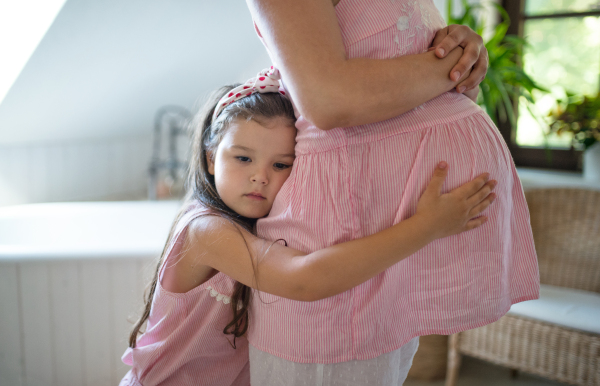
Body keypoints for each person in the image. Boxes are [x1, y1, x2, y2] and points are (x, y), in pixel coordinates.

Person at [119, 68, 497, 386]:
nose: (260, 178)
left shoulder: (261, 223)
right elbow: (304, 280)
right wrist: (426, 226)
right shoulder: (207, 230)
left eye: (281, 165)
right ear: (212, 159)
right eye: (243, 158)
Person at [245, 0, 540, 384]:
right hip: (344, 227)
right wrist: (450, 67)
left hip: (392, 236)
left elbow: (417, 87)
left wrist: (466, 56)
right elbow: (330, 98)